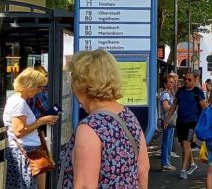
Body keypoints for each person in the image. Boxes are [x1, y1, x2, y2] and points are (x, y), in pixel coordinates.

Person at [59, 50, 149, 187]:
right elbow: (143, 170)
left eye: (73, 77)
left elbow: (85, 186)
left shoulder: (89, 128)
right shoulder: (128, 116)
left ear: (82, 83)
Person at [4, 68, 59, 189]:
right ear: (29, 85)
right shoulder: (19, 103)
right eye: (38, 87)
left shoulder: (16, 100)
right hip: (25, 150)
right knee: (26, 185)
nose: (39, 91)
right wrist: (41, 121)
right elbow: (19, 131)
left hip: (24, 149)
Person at [167, 71, 208, 179]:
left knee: (186, 145)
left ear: (194, 81)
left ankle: (183, 170)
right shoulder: (180, 91)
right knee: (184, 145)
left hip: (192, 123)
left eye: (189, 80)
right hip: (180, 122)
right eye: (185, 79)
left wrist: (203, 122)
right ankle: (192, 164)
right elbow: (174, 105)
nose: (186, 81)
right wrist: (168, 118)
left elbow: (204, 107)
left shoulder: (197, 91)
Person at [160, 74, 178, 171]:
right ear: (165, 84)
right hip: (167, 120)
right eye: (170, 82)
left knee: (168, 141)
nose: (173, 84)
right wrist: (173, 107)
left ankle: (166, 162)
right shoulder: (166, 94)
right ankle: (165, 163)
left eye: (173, 82)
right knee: (167, 142)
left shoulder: (169, 93)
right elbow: (165, 106)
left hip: (168, 120)